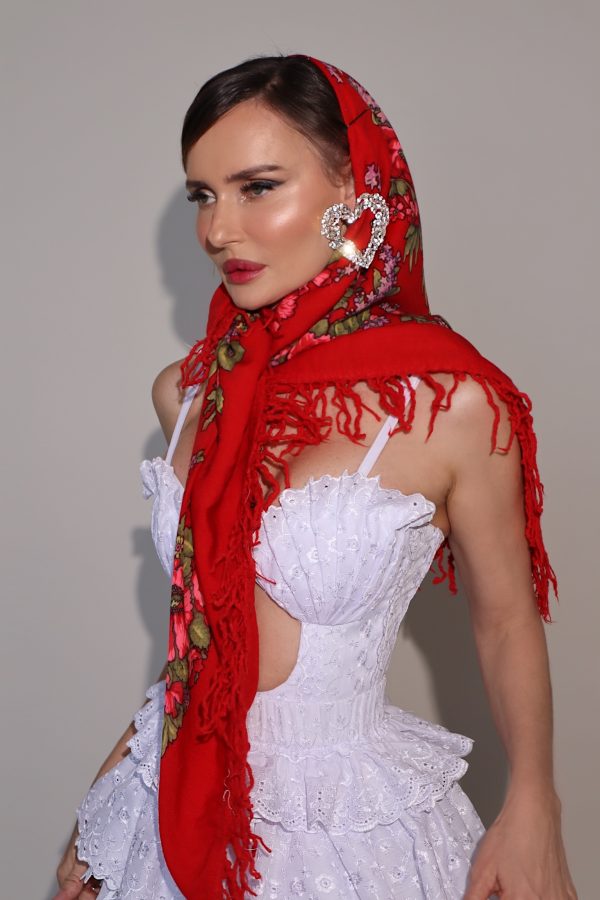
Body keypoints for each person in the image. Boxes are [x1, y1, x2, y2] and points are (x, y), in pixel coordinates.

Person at [54, 54, 577, 900]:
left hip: (349, 829)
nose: (218, 230)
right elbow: (202, 639)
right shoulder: (188, 392)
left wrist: (534, 803)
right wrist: (109, 795)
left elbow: (507, 620)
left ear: (351, 192)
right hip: (164, 796)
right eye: (202, 195)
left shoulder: (452, 405)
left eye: (257, 187)